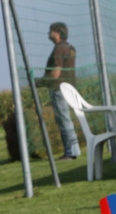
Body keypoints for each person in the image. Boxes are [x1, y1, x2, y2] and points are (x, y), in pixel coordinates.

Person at [42, 22, 81, 160]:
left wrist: (39, 82)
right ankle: (73, 150)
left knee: (64, 120)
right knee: (66, 119)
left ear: (57, 33)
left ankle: (71, 152)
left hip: (59, 89)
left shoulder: (59, 49)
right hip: (69, 88)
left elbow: (56, 73)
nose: (48, 33)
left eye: (51, 30)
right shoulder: (70, 48)